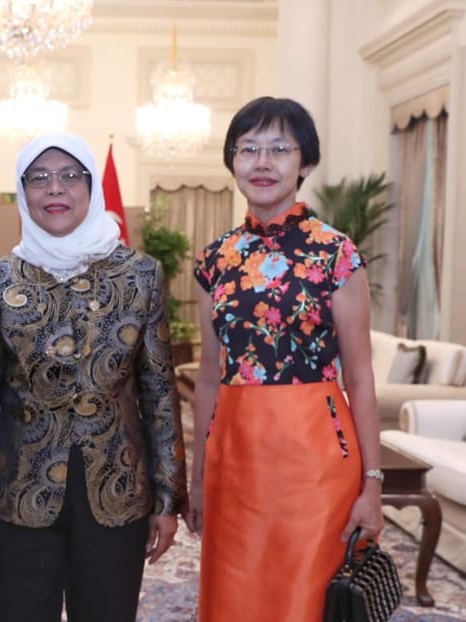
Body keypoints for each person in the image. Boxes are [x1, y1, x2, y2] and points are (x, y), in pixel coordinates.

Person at [0, 132, 188, 622]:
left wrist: (167, 500)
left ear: (91, 187)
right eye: (39, 178)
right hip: (18, 493)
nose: (54, 189)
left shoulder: (140, 275)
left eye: (69, 176)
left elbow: (160, 395)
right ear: (23, 192)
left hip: (117, 491)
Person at [186, 96, 384, 621]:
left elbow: (360, 379)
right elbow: (209, 374)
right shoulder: (215, 258)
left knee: (303, 595)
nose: (262, 162)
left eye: (279, 148)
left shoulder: (336, 252)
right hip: (235, 455)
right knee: (234, 596)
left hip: (315, 459)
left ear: (306, 163)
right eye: (248, 148)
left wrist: (373, 484)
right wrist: (197, 474)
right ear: (232, 162)